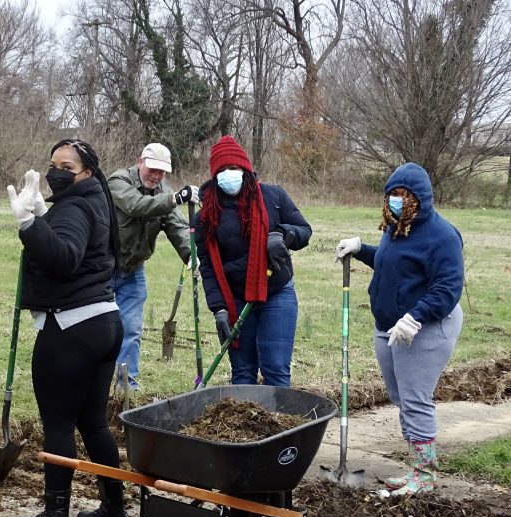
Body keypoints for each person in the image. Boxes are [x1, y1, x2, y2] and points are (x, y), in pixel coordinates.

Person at [8, 139, 130, 517]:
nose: (56, 172)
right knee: (93, 421)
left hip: (71, 329)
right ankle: (114, 508)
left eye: (67, 166)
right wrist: (43, 215)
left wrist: (28, 225)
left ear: (88, 172)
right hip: (105, 321)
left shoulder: (75, 207)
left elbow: (64, 258)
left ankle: (55, 516)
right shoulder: (95, 201)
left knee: (59, 422)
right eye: (53, 164)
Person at [335, 163, 463, 496]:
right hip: (389, 325)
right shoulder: (395, 228)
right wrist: (361, 249)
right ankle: (415, 467)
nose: (398, 200)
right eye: (393, 194)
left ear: (422, 198)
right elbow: (392, 263)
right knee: (400, 396)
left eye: (405, 195)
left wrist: (416, 316)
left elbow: (448, 287)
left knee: (415, 398)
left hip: (427, 326)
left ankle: (424, 473)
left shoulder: (442, 236)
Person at [194, 135, 311, 387]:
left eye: (233, 168)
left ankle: (282, 426)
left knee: (276, 369)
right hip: (236, 300)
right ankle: (247, 426)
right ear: (214, 176)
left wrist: (283, 235)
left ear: (245, 169)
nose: (229, 175)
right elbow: (207, 267)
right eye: (222, 170)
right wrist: (219, 309)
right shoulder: (206, 216)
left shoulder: (273, 197)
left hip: (276, 292)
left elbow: (304, 231)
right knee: (243, 372)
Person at [108, 143, 196, 390]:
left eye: (162, 172)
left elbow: (176, 225)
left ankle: (126, 385)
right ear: (140, 162)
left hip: (134, 270)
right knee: (97, 330)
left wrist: (190, 254)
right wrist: (175, 199)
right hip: (102, 268)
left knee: (131, 329)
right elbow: (136, 206)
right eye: (152, 169)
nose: (156, 176)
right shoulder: (118, 181)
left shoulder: (163, 192)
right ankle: (90, 382)